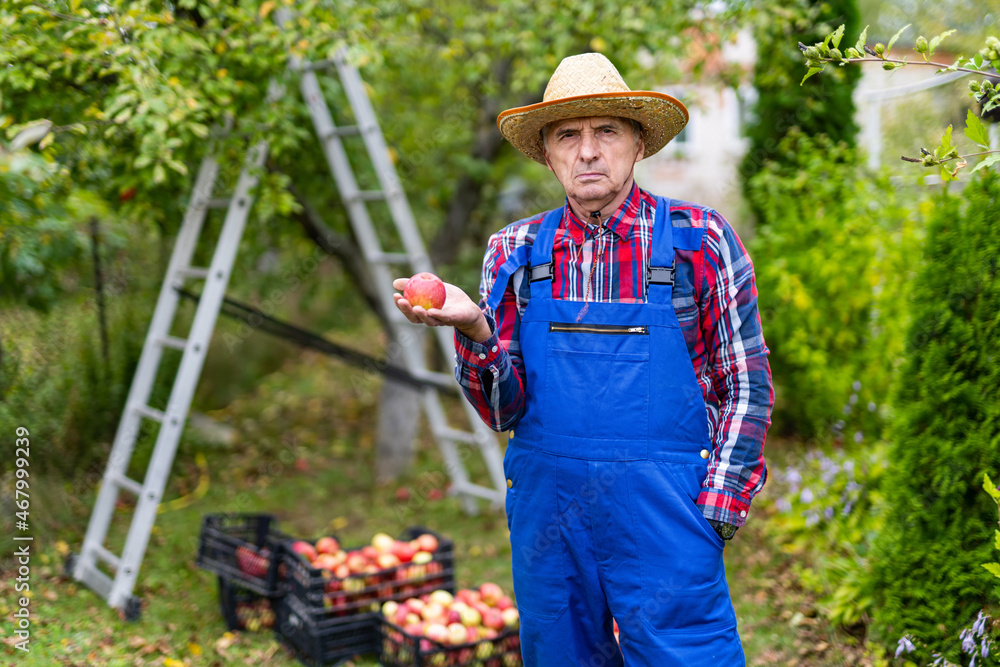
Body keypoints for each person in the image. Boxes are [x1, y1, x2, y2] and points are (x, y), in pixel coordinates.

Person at [393, 52, 773, 667]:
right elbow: (502, 410)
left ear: (639, 142)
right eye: (568, 134)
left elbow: (746, 386)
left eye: (607, 132)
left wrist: (717, 516)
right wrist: (474, 329)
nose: (588, 151)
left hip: (668, 521)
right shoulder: (515, 251)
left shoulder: (699, 241)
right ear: (547, 152)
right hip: (552, 525)